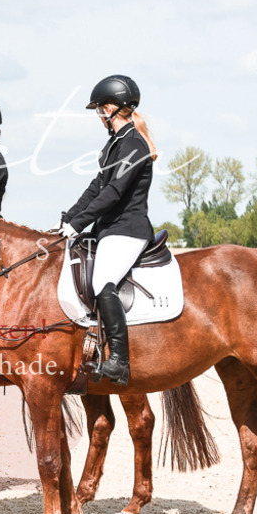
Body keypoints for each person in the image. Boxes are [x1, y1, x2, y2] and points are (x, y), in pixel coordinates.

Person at [56, 75, 156, 386]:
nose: (99, 116)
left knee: (102, 280)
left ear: (111, 108)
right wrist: (67, 220)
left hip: (128, 229)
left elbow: (113, 192)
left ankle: (119, 361)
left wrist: (78, 224)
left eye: (100, 109)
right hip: (108, 228)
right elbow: (95, 189)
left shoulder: (134, 145)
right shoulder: (113, 145)